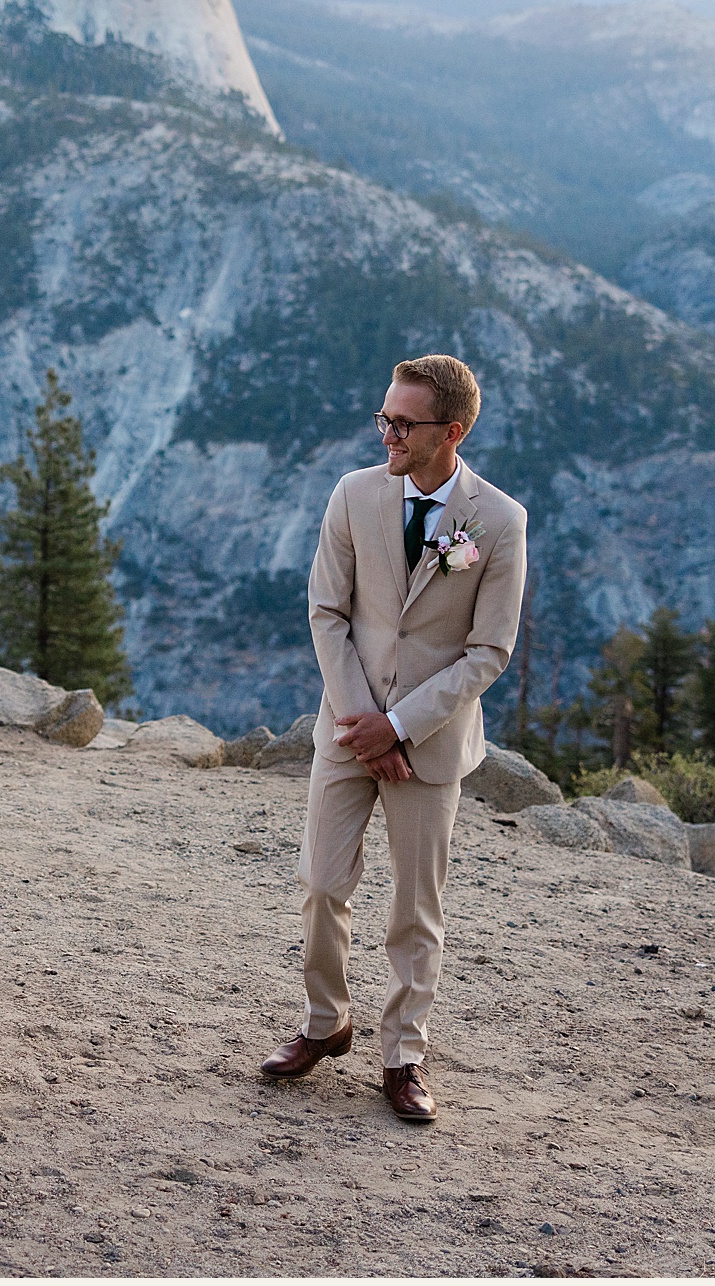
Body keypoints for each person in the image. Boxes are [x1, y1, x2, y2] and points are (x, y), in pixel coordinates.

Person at [260, 354, 527, 1122]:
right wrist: (362, 724)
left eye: (403, 424)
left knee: (416, 908)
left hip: (430, 744)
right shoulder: (353, 495)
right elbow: (327, 613)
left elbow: (489, 651)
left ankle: (403, 1055)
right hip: (347, 730)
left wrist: (402, 725)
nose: (388, 434)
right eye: (384, 418)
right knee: (320, 886)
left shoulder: (499, 522)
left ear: (454, 431)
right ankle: (325, 1022)